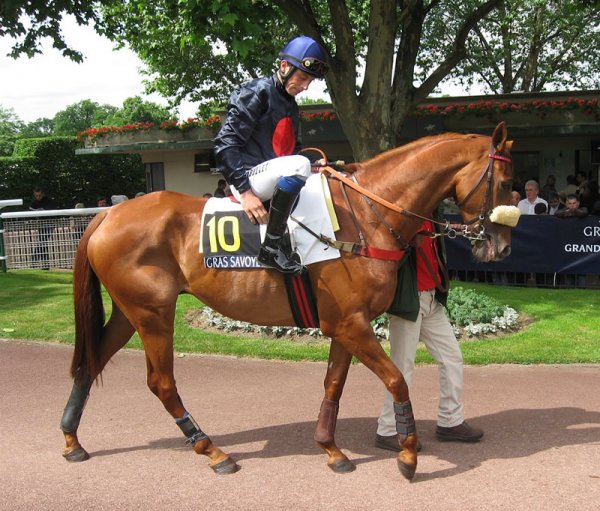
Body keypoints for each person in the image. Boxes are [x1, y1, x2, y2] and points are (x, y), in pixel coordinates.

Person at [214, 35, 328, 274]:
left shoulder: (291, 105)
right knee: (298, 165)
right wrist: (245, 193)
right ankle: (271, 249)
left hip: (269, 176)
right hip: (246, 178)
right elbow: (225, 144)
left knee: (318, 175)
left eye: (310, 81)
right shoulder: (257, 92)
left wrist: (314, 165)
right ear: (284, 66)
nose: (306, 86)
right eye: (303, 78)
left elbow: (291, 152)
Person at [375, 219, 483, 452]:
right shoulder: (402, 214)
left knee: (451, 358)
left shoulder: (430, 214)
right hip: (409, 299)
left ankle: (450, 421)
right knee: (401, 367)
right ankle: (387, 429)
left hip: (432, 299)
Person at [29, 186, 57, 270]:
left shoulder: (49, 201)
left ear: (43, 194)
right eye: (36, 196)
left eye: (39, 195)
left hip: (49, 224)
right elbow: (30, 210)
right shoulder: (34, 202)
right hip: (41, 226)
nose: (38, 197)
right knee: (42, 242)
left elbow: (52, 211)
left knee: (42, 241)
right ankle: (45, 265)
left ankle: (34, 263)